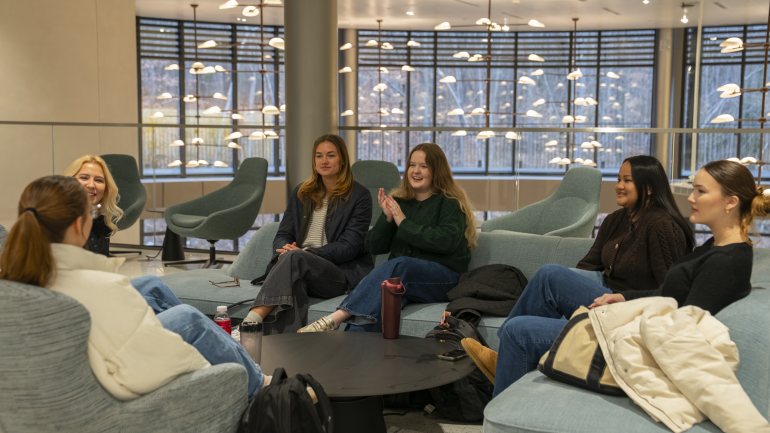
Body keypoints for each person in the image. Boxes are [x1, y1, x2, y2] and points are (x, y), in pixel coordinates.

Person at [464, 160, 768, 397]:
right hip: (636, 320)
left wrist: (621, 318)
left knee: (518, 331)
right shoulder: (715, 246)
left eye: (701, 191)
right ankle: (505, 373)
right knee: (545, 282)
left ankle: (500, 402)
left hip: (638, 341)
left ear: (730, 202)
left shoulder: (725, 261)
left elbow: (683, 326)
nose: (691, 197)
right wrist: (624, 298)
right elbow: (671, 294)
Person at [0, 175, 265, 400]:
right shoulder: (102, 286)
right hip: (109, 386)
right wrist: (213, 369)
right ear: (78, 224)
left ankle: (237, 354)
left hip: (76, 368)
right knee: (190, 319)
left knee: (153, 289)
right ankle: (262, 388)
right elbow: (155, 363)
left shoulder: (14, 278)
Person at [299, 142, 478, 333]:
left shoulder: (450, 203)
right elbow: (374, 246)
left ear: (437, 170)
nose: (416, 171)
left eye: (423, 166)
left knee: (401, 265)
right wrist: (387, 218)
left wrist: (403, 222)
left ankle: (337, 317)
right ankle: (347, 352)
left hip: (443, 280)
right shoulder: (400, 202)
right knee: (379, 305)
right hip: (402, 281)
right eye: (412, 165)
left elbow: (446, 242)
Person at [242, 134, 373, 335]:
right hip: (297, 267)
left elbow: (349, 247)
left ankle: (250, 322)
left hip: (336, 275)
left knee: (296, 257)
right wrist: (284, 250)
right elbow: (283, 233)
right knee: (295, 285)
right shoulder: (302, 192)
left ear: (343, 160)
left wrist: (308, 253)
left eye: (331, 155)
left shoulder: (359, 196)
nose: (324, 161)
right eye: (319, 156)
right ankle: (288, 349)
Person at [63, 155, 123, 256]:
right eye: (84, 178)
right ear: (69, 182)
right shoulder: (57, 224)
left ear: (105, 189)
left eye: (98, 180)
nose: (91, 185)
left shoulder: (102, 224)